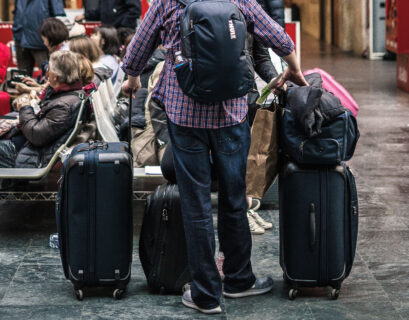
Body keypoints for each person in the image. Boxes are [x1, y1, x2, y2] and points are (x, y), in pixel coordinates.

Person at [121, 0, 308, 315]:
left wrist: (133, 78)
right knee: (234, 198)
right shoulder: (237, 0)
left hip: (183, 115)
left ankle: (206, 293)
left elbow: (139, 47)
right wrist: (294, 67)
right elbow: (276, 35)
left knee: (196, 206)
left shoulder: (167, 2)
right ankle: (238, 280)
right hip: (231, 115)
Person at [0, 51, 84, 170]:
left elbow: (36, 135)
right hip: (28, 145)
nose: (46, 72)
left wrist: (25, 108)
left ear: (54, 75)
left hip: (29, 154)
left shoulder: (63, 106)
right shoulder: (70, 94)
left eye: (48, 69)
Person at [12, 0, 66, 76]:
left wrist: (50, 38)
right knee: (22, 77)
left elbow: (59, 16)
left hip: (41, 41)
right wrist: (16, 31)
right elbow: (18, 12)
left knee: (48, 74)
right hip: (20, 39)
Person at [75, 0, 141, 29]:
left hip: (122, 33)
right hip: (108, 33)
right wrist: (84, 15)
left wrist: (123, 26)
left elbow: (135, 10)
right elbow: (100, 11)